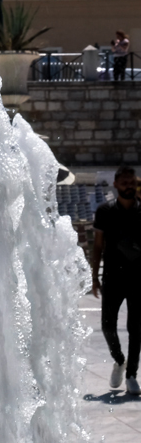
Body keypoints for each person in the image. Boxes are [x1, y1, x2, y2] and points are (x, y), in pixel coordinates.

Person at [91, 164, 141, 395]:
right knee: (107, 326)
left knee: (136, 329)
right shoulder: (105, 211)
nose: (129, 186)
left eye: (132, 182)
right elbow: (98, 245)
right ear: (116, 185)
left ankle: (131, 374)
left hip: (138, 277)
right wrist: (94, 276)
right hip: (112, 275)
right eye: (124, 183)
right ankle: (119, 360)